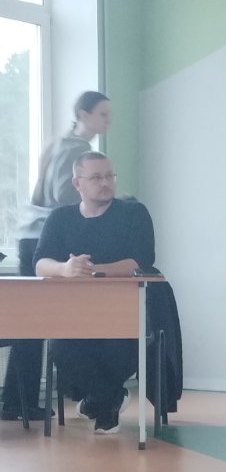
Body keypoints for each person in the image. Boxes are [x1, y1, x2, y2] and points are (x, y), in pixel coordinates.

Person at [1, 91, 112, 422]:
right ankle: (20, 402)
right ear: (84, 114)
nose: (108, 121)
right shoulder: (76, 150)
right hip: (41, 240)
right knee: (34, 324)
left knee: (31, 323)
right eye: (103, 114)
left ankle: (16, 401)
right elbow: (63, 195)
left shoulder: (63, 145)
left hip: (32, 237)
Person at [34, 151, 155, 435]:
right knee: (60, 346)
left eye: (110, 176)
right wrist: (65, 269)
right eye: (96, 177)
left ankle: (100, 402)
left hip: (126, 308)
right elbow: (39, 263)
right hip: (75, 311)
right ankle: (110, 399)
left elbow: (141, 261)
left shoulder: (134, 213)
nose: (105, 183)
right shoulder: (60, 218)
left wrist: (94, 270)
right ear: (77, 183)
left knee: (118, 347)